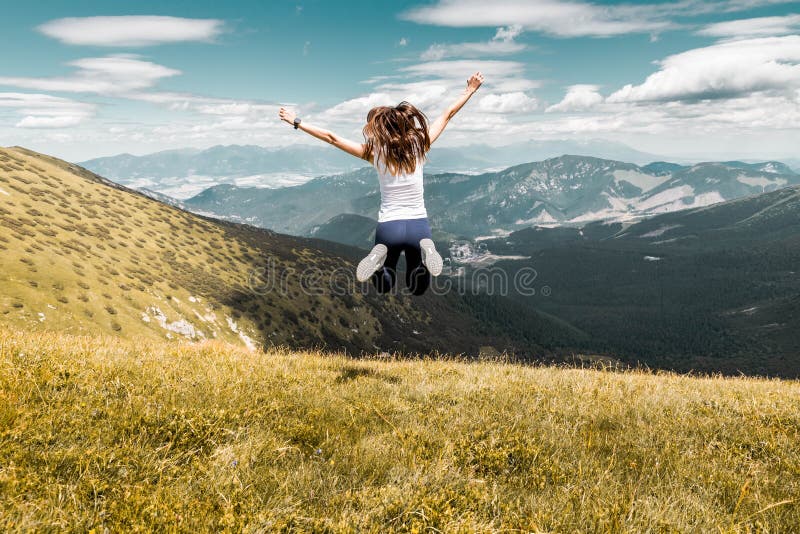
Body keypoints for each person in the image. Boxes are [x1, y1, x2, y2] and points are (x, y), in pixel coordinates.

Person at [279, 71, 485, 295]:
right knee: (417, 286)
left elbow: (332, 137)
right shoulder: (419, 143)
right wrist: (470, 90)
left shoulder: (373, 151)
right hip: (418, 226)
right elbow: (447, 114)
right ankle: (426, 257)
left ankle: (379, 261)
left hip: (389, 227)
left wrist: (297, 121)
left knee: (384, 283)